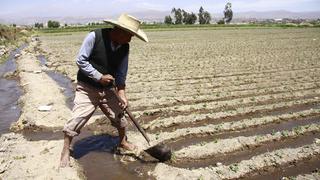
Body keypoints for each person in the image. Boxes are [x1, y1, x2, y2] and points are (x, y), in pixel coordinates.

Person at [60, 14, 148, 167]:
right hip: (87, 87)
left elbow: (121, 72)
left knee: (120, 116)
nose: (130, 39)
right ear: (120, 31)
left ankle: (122, 142)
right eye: (130, 35)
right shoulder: (95, 36)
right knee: (77, 119)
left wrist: (122, 93)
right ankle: (66, 150)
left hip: (109, 90)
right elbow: (81, 60)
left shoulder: (124, 46)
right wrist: (98, 76)